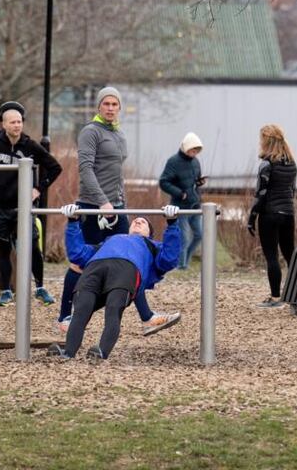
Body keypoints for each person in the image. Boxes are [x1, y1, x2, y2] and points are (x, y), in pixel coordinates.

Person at [56, 85, 180, 336]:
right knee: (81, 264)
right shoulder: (90, 132)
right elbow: (86, 169)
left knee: (131, 259)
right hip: (93, 204)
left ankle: (146, 317)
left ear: (120, 107)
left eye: (115, 104)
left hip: (117, 206)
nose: (111, 108)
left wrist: (120, 201)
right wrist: (102, 202)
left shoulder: (118, 134)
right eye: (106, 104)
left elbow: (116, 173)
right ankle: (65, 316)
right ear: (99, 106)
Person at [48, 204, 181, 360]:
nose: (138, 222)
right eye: (135, 221)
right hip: (95, 267)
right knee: (81, 310)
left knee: (113, 309)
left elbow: (170, 259)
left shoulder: (151, 246)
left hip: (127, 269)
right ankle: (68, 353)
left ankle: (101, 352)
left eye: (143, 222)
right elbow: (77, 254)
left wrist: (172, 224)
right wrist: (72, 221)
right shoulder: (108, 242)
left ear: (150, 234)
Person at [0, 101, 62, 306]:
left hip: (23, 207)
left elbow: (55, 168)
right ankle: (7, 291)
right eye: (13, 122)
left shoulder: (30, 145)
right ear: (4, 124)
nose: (17, 125)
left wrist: (38, 189)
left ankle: (40, 288)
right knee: (3, 249)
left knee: (32, 248)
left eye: (19, 122)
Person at [246, 124, 297, 307]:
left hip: (270, 214)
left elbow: (260, 194)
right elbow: (292, 191)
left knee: (272, 256)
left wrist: (252, 218)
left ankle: (276, 298)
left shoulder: (266, 164)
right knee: (291, 255)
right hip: (288, 213)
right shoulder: (291, 163)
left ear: (266, 141)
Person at [159, 132, 206, 269]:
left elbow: (194, 181)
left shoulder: (196, 162)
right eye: (193, 150)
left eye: (197, 150)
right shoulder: (173, 162)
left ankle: (186, 260)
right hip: (180, 206)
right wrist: (180, 193)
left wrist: (199, 182)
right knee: (184, 238)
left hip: (195, 205)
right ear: (186, 148)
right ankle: (181, 266)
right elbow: (164, 182)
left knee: (199, 235)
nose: (195, 153)